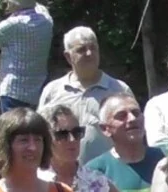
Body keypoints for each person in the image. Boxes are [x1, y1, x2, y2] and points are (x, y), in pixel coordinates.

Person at [37, 26, 133, 165]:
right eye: (81, 49)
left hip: (108, 171)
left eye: (93, 48)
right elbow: (40, 133)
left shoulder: (119, 90)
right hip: (62, 172)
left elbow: (133, 134)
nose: (89, 53)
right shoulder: (53, 91)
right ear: (68, 56)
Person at [0, 0, 53, 113]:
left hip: (14, 91)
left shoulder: (15, 24)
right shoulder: (46, 20)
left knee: (12, 125)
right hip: (38, 91)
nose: (6, 3)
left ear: (15, 4)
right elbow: (37, 6)